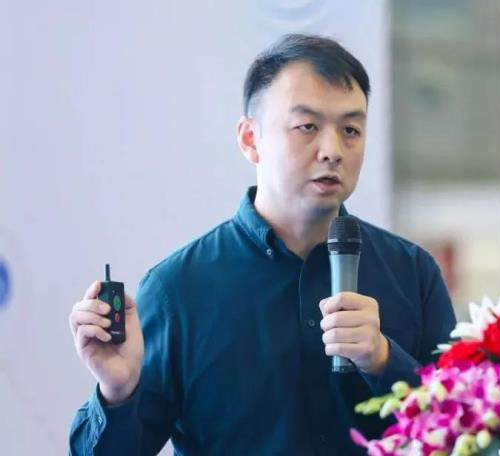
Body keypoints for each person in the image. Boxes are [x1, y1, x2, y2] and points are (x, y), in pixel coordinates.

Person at [67, 34, 456, 455]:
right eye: (307, 127)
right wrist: (118, 392)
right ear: (250, 139)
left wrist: (384, 360)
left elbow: (468, 426)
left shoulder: (412, 273)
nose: (332, 151)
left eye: (350, 130)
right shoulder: (178, 288)